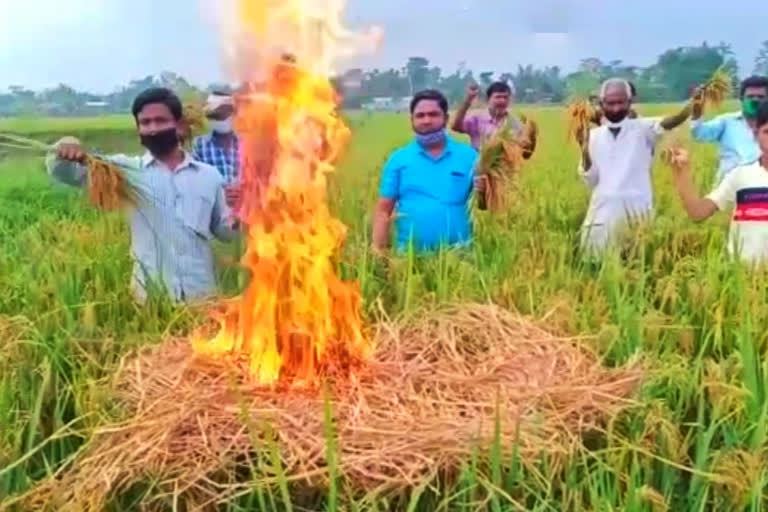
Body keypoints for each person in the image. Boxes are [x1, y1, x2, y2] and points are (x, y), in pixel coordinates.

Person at [47, 87, 238, 304]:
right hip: (151, 302)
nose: (153, 129)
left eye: (160, 120)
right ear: (138, 129)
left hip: (203, 299)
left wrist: (242, 213)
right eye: (145, 123)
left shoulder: (209, 176)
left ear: (177, 125)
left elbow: (224, 232)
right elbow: (65, 172)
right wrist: (65, 146)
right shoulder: (124, 172)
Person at [577, 78, 692, 256]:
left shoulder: (643, 128)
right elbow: (590, 180)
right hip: (601, 215)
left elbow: (671, 121)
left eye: (621, 103)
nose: (616, 108)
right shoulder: (592, 136)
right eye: (610, 103)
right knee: (597, 270)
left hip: (636, 214)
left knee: (637, 266)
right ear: (601, 104)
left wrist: (692, 106)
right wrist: (584, 149)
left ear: (630, 102)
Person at [372, 89, 483, 253]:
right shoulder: (399, 160)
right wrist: (379, 251)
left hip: (461, 257)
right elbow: (383, 211)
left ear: (445, 118)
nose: (426, 120)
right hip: (410, 260)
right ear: (412, 120)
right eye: (420, 115)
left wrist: (485, 191)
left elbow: (483, 206)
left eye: (433, 114)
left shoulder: (469, 156)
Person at [668, 101, 768, 265]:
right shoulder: (740, 176)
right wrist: (682, 171)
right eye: (767, 132)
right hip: (744, 275)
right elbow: (698, 212)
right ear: (755, 134)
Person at [690, 75, 768, 184]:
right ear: (742, 99)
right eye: (750, 96)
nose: (755, 100)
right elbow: (698, 134)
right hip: (728, 191)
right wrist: (697, 110)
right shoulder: (726, 122)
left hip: (761, 192)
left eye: (761, 97)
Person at [451, 81, 536, 158]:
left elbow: (525, 155)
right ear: (488, 100)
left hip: (504, 173)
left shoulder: (515, 124)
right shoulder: (477, 120)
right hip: (477, 171)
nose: (502, 100)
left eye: (505, 97)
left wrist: (532, 138)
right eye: (498, 97)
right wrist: (468, 100)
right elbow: (456, 127)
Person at [192, 91, 241, 209]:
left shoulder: (247, 144)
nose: (219, 120)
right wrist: (220, 195)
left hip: (246, 214)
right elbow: (194, 183)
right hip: (214, 212)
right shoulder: (200, 145)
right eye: (214, 116)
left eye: (223, 115)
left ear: (233, 113)